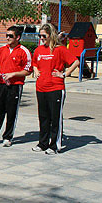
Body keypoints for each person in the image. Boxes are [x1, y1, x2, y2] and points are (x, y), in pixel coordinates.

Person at [32, 23, 79, 155]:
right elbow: (35, 62)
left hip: (55, 87)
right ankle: (43, 143)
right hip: (41, 88)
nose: (41, 38)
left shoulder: (60, 49)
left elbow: (75, 62)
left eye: (44, 36)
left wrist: (64, 74)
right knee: (43, 117)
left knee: (55, 118)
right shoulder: (39, 50)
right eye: (39, 35)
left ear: (51, 35)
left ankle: (54, 145)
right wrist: (36, 70)